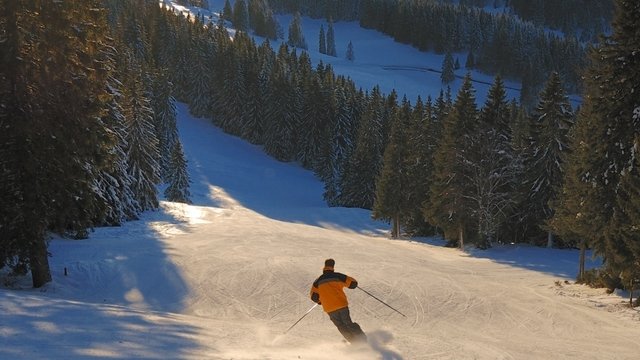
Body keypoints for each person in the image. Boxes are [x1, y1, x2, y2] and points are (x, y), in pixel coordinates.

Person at [310, 258, 367, 344]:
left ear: (324, 267)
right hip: (341, 304)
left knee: (340, 326)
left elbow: (313, 296)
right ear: (333, 267)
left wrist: (320, 301)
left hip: (329, 308)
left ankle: (354, 343)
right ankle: (363, 340)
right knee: (348, 323)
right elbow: (352, 283)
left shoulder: (317, 281)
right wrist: (354, 284)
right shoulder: (337, 276)